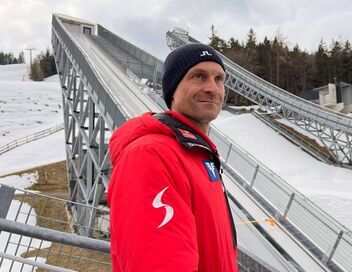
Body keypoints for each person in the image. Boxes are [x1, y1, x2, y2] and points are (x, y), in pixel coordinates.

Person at [107, 43, 238, 271]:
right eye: (199, 76)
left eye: (219, 79)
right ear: (173, 89)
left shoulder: (197, 154)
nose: (212, 88)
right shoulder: (151, 156)